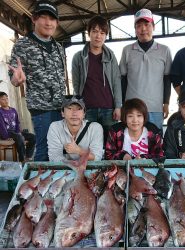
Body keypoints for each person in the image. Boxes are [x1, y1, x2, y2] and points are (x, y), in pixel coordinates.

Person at [8, 0, 66, 161]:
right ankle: (38, 183)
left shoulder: (58, 47)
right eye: (44, 17)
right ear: (34, 19)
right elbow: (14, 76)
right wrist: (16, 79)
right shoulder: (23, 45)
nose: (48, 23)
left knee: (61, 148)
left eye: (52, 19)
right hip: (41, 109)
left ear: (57, 22)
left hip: (61, 108)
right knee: (44, 149)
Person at [72, 15, 122, 143]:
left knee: (111, 145)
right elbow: (76, 85)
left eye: (102, 32)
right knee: (88, 145)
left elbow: (116, 82)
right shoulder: (79, 57)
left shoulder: (111, 57)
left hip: (108, 109)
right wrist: (78, 107)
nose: (98, 36)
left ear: (105, 35)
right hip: (87, 110)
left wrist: (118, 106)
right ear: (89, 33)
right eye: (94, 31)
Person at [119, 8, 172, 130]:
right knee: (132, 144)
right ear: (135, 29)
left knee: (155, 144)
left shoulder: (164, 50)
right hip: (132, 109)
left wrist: (166, 103)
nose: (143, 29)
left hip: (155, 108)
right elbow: (122, 80)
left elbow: (167, 79)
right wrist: (122, 105)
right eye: (139, 25)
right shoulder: (127, 50)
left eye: (147, 25)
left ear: (153, 26)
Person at [47, 95, 103, 162]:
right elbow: (54, 157)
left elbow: (97, 158)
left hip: (89, 169)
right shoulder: (55, 127)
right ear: (62, 113)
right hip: (64, 170)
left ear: (84, 113)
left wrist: (79, 151)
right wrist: (75, 166)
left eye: (79, 109)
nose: (74, 113)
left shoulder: (95, 128)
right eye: (70, 108)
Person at [0, 92, 36, 162]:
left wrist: (19, 132)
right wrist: (6, 137)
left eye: (6, 98)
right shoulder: (0, 112)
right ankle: (22, 158)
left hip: (15, 132)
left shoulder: (13, 110)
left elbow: (17, 122)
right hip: (7, 133)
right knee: (19, 137)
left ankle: (28, 157)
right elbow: (1, 126)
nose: (6, 101)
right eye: (3, 99)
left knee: (33, 137)